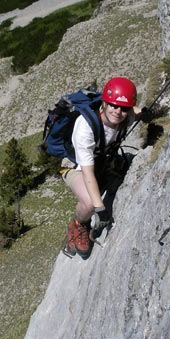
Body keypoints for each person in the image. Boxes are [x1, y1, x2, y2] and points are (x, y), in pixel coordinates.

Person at [62, 76, 143, 258]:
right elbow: (87, 173)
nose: (118, 111)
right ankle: (78, 224)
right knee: (89, 202)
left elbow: (137, 112)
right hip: (74, 166)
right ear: (104, 103)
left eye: (123, 108)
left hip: (100, 160)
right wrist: (100, 208)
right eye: (114, 105)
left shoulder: (125, 115)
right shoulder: (86, 128)